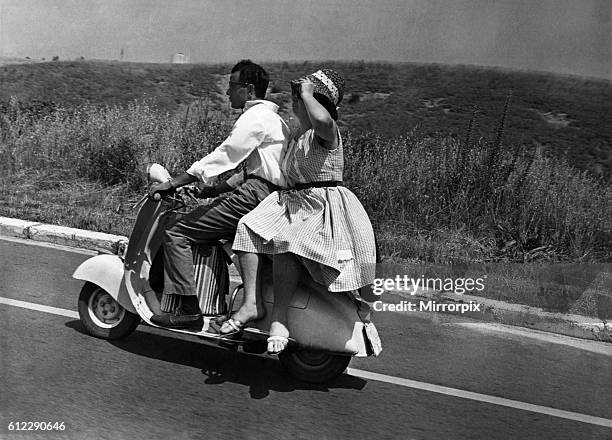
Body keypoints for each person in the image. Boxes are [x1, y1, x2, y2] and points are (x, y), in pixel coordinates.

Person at [231, 68, 377, 354]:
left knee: (290, 242)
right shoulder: (299, 136)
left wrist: (309, 94)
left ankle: (280, 320)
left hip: (321, 206)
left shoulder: (325, 131)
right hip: (293, 202)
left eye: (298, 98)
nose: (294, 102)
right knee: (246, 227)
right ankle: (251, 302)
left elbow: (323, 118)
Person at [148, 60, 290, 331]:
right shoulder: (276, 119)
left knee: (177, 230)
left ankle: (189, 310)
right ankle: (211, 300)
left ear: (248, 89)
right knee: (207, 229)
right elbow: (254, 169)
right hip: (266, 195)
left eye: (232, 87)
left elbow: (226, 155)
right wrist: (212, 190)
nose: (227, 93)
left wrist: (174, 183)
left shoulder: (256, 117)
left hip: (255, 195)